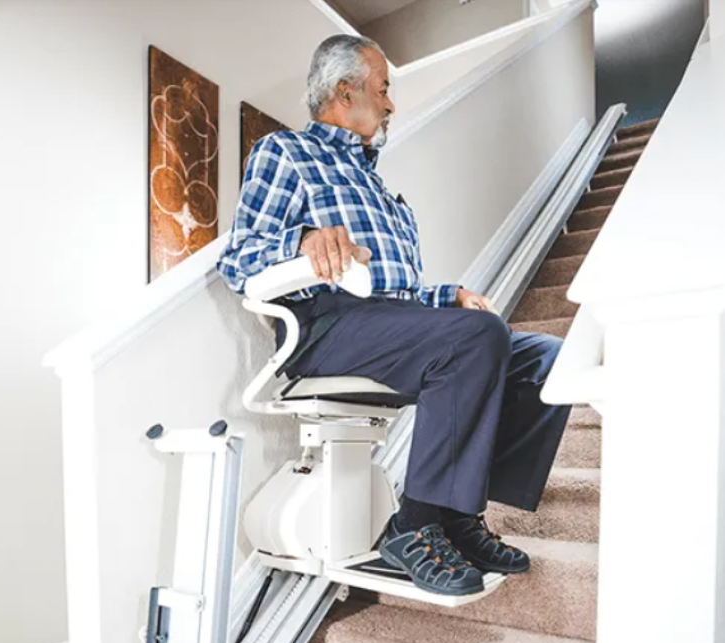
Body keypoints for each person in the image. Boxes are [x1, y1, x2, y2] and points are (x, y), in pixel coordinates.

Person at [217, 34, 571, 598]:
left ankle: (456, 519)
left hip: (387, 324)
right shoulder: (286, 153)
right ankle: (415, 527)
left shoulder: (378, 189)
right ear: (344, 90)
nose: (389, 105)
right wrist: (303, 240)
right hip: (326, 326)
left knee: (548, 358)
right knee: (476, 339)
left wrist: (447, 296)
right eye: (382, 90)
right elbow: (238, 259)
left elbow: (399, 297)